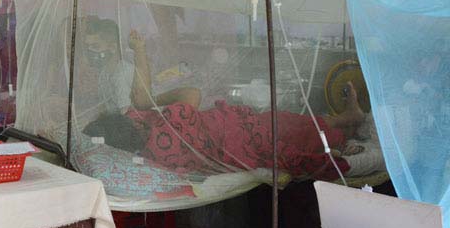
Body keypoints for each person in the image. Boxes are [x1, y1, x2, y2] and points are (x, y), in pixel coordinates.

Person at [82, 18, 367, 178]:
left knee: (290, 124)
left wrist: (140, 55)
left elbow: (139, 98)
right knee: (291, 131)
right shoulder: (165, 130)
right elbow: (188, 95)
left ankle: (345, 121)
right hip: (238, 135)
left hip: (234, 133)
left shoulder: (150, 150)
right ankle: (344, 129)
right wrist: (151, 99)